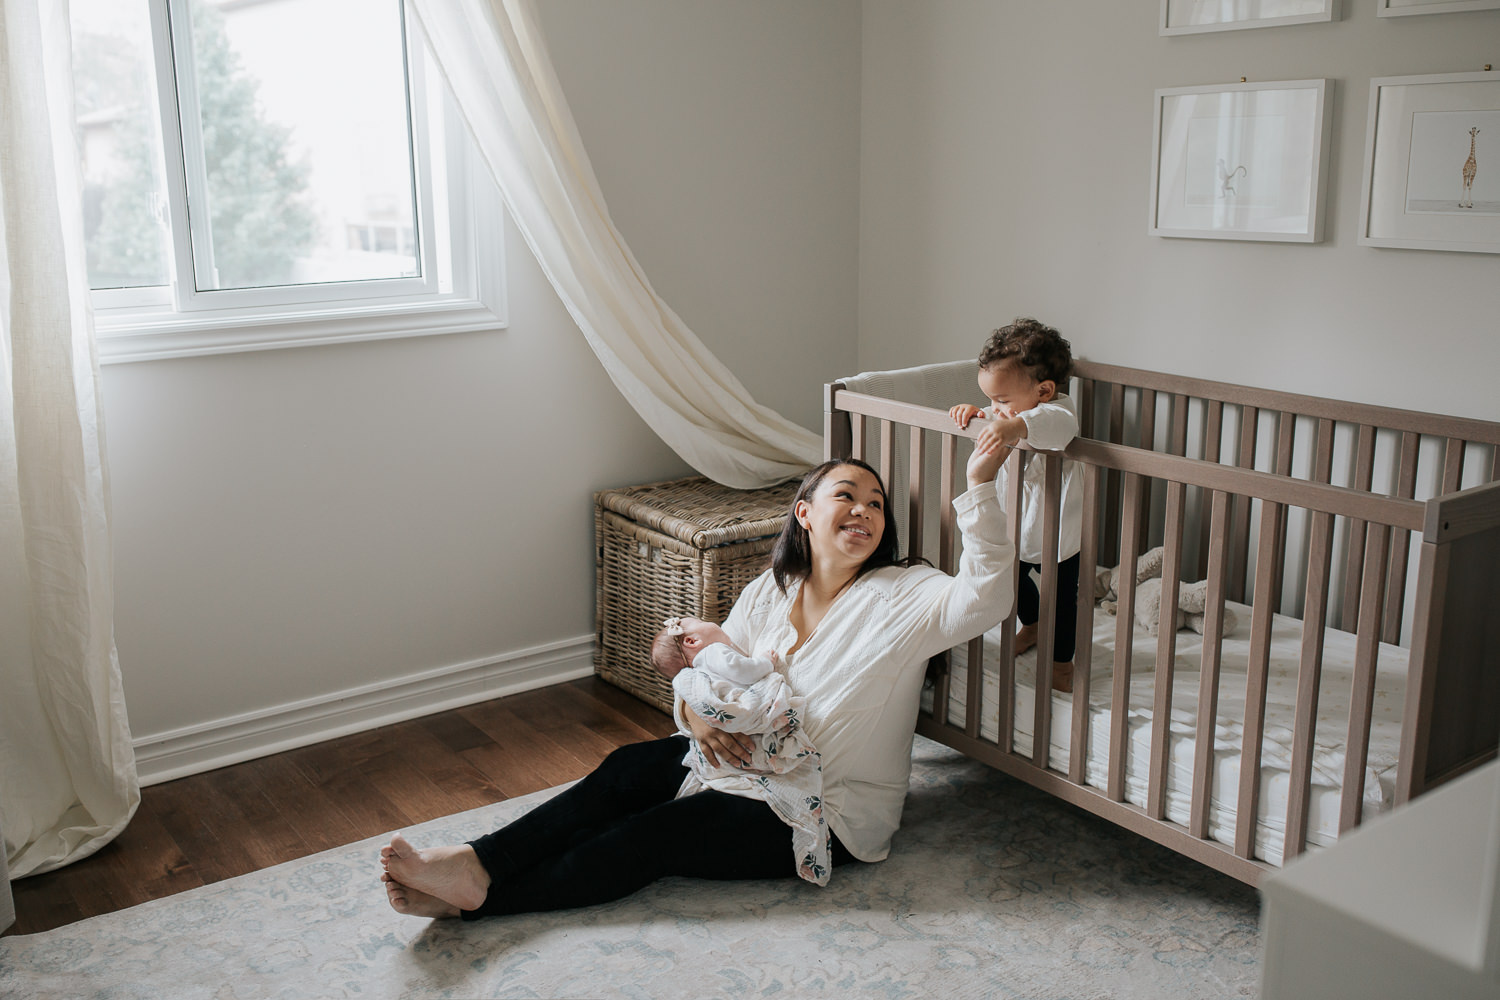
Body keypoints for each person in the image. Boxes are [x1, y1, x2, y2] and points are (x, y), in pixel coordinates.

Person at [379, 447, 1014, 920]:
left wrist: (980, 486)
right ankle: (477, 860)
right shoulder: (771, 589)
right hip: (741, 765)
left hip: (823, 809)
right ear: (805, 514)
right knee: (624, 771)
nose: (865, 510)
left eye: (876, 504)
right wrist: (695, 712)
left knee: (655, 836)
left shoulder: (906, 593)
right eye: (847, 495)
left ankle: (479, 902)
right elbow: (706, 671)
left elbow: (987, 598)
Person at [948, 317, 1081, 693]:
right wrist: (973, 412)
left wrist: (1016, 427)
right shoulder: (1009, 413)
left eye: (1002, 400)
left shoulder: (1060, 412)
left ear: (1044, 390)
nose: (996, 408)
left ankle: (1061, 666)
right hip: (1016, 524)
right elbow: (994, 419)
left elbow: (1054, 426)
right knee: (1011, 578)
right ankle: (1033, 623)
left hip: (1058, 529)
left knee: (1062, 601)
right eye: (990, 398)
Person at [650, 615, 829, 884]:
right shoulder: (713, 653)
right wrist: (766, 662)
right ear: (692, 640)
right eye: (699, 620)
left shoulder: (699, 668)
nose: (711, 621)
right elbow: (743, 671)